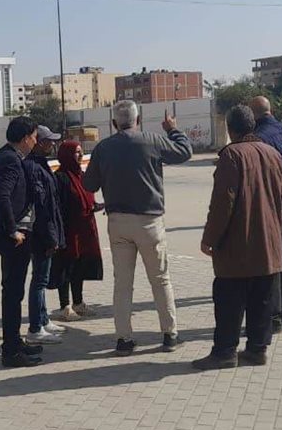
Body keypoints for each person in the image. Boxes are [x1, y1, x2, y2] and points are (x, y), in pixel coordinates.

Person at [83, 100, 192, 356]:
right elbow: (184, 151)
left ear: (114, 123)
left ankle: (123, 339)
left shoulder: (103, 148)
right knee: (160, 279)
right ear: (138, 120)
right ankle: (170, 334)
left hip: (118, 222)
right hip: (149, 221)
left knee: (122, 284)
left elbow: (89, 185)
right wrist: (172, 129)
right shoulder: (152, 141)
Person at [193, 105, 282, 370]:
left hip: (237, 244)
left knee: (229, 301)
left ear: (230, 129)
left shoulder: (231, 155)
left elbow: (223, 203)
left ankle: (225, 352)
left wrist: (210, 238)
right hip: (268, 241)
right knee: (262, 300)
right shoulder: (272, 154)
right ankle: (257, 349)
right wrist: (275, 231)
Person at [0, 117, 42, 368]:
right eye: (34, 137)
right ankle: (11, 350)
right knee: (13, 294)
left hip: (7, 233)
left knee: (13, 292)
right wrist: (12, 230)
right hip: (14, 237)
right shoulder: (10, 160)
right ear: (26, 138)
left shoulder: (0, 157)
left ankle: (15, 342)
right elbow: (2, 196)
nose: (36, 142)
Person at [249, 96, 282, 333]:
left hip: (273, 210)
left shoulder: (260, 139)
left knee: (270, 265)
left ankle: (275, 316)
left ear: (253, 115)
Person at [23, 125, 67, 344]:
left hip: (46, 230)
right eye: (49, 141)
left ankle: (43, 318)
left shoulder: (41, 164)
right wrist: (51, 236)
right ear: (39, 143)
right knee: (39, 280)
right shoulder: (33, 167)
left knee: (41, 277)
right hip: (40, 233)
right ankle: (35, 328)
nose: (53, 144)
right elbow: (42, 207)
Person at [51, 140, 103, 322]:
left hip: (84, 229)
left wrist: (96, 206)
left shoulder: (82, 175)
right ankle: (64, 306)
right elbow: (58, 205)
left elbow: (88, 197)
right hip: (68, 229)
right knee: (66, 266)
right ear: (66, 155)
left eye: (81, 152)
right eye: (76, 152)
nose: (80, 155)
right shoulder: (60, 178)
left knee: (79, 266)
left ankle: (78, 303)